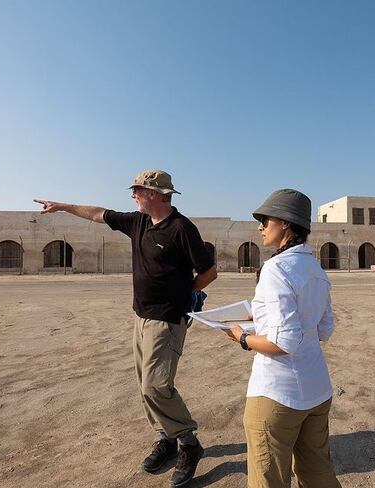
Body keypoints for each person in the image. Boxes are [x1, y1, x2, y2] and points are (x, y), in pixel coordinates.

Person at [34, 169, 217, 487]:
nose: (133, 194)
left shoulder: (182, 228)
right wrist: (62, 206)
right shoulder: (138, 221)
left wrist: (187, 294)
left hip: (168, 319)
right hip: (141, 316)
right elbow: (96, 214)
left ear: (157, 195)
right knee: (143, 385)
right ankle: (166, 439)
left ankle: (189, 443)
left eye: (138, 190)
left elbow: (209, 272)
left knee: (156, 385)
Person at [225, 189, 342, 488]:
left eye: (265, 219)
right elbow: (324, 328)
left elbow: (283, 343)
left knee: (268, 479)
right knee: (318, 474)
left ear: (286, 224)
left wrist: (242, 338)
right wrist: (262, 317)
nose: (260, 226)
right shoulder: (314, 267)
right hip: (317, 389)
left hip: (278, 394)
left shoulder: (276, 269)